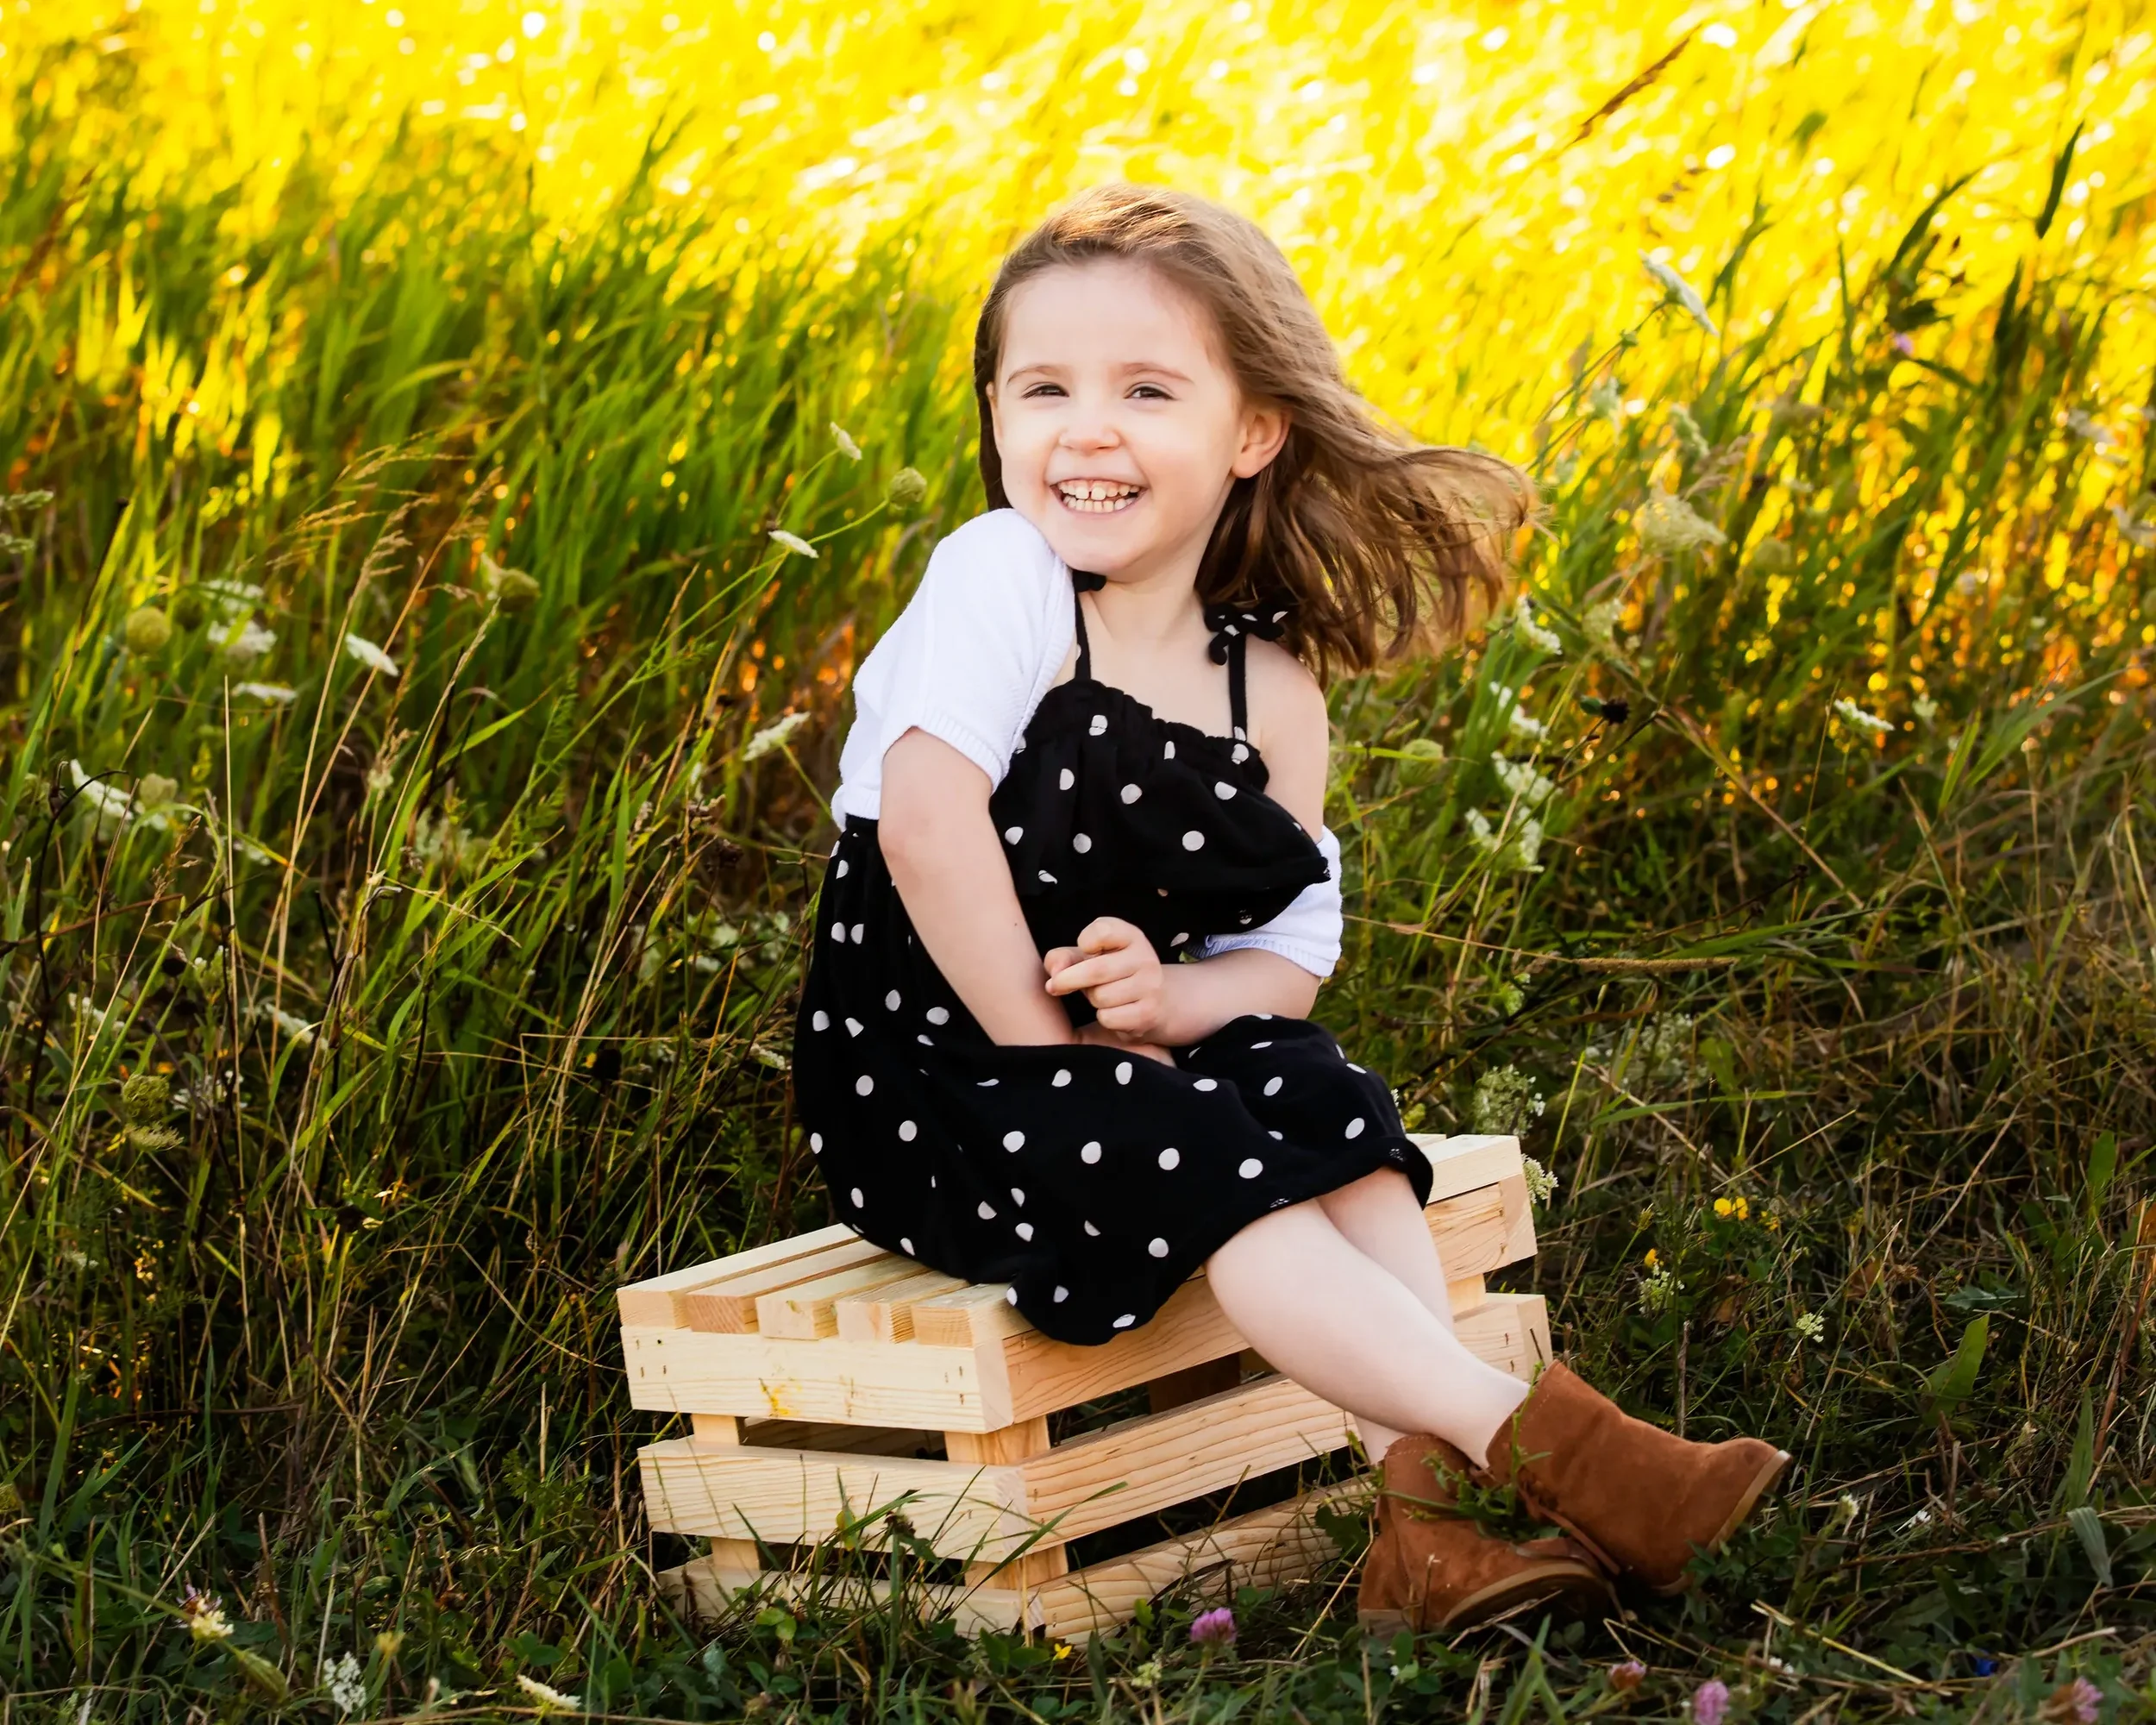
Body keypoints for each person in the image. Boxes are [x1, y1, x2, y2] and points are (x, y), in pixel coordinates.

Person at [793, 183, 1788, 1633]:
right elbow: (933, 829)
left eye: (1145, 388)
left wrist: (1177, 1002)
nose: (1086, 428)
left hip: (1127, 1055)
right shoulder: (999, 578)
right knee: (1189, 1130)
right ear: (998, 417)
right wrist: (1056, 1055)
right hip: (934, 1073)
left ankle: (1435, 1527)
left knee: (1321, 1099)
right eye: (1043, 388)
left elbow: (1288, 956)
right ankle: (1574, 1458)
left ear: (1251, 430)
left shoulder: (1268, 677)